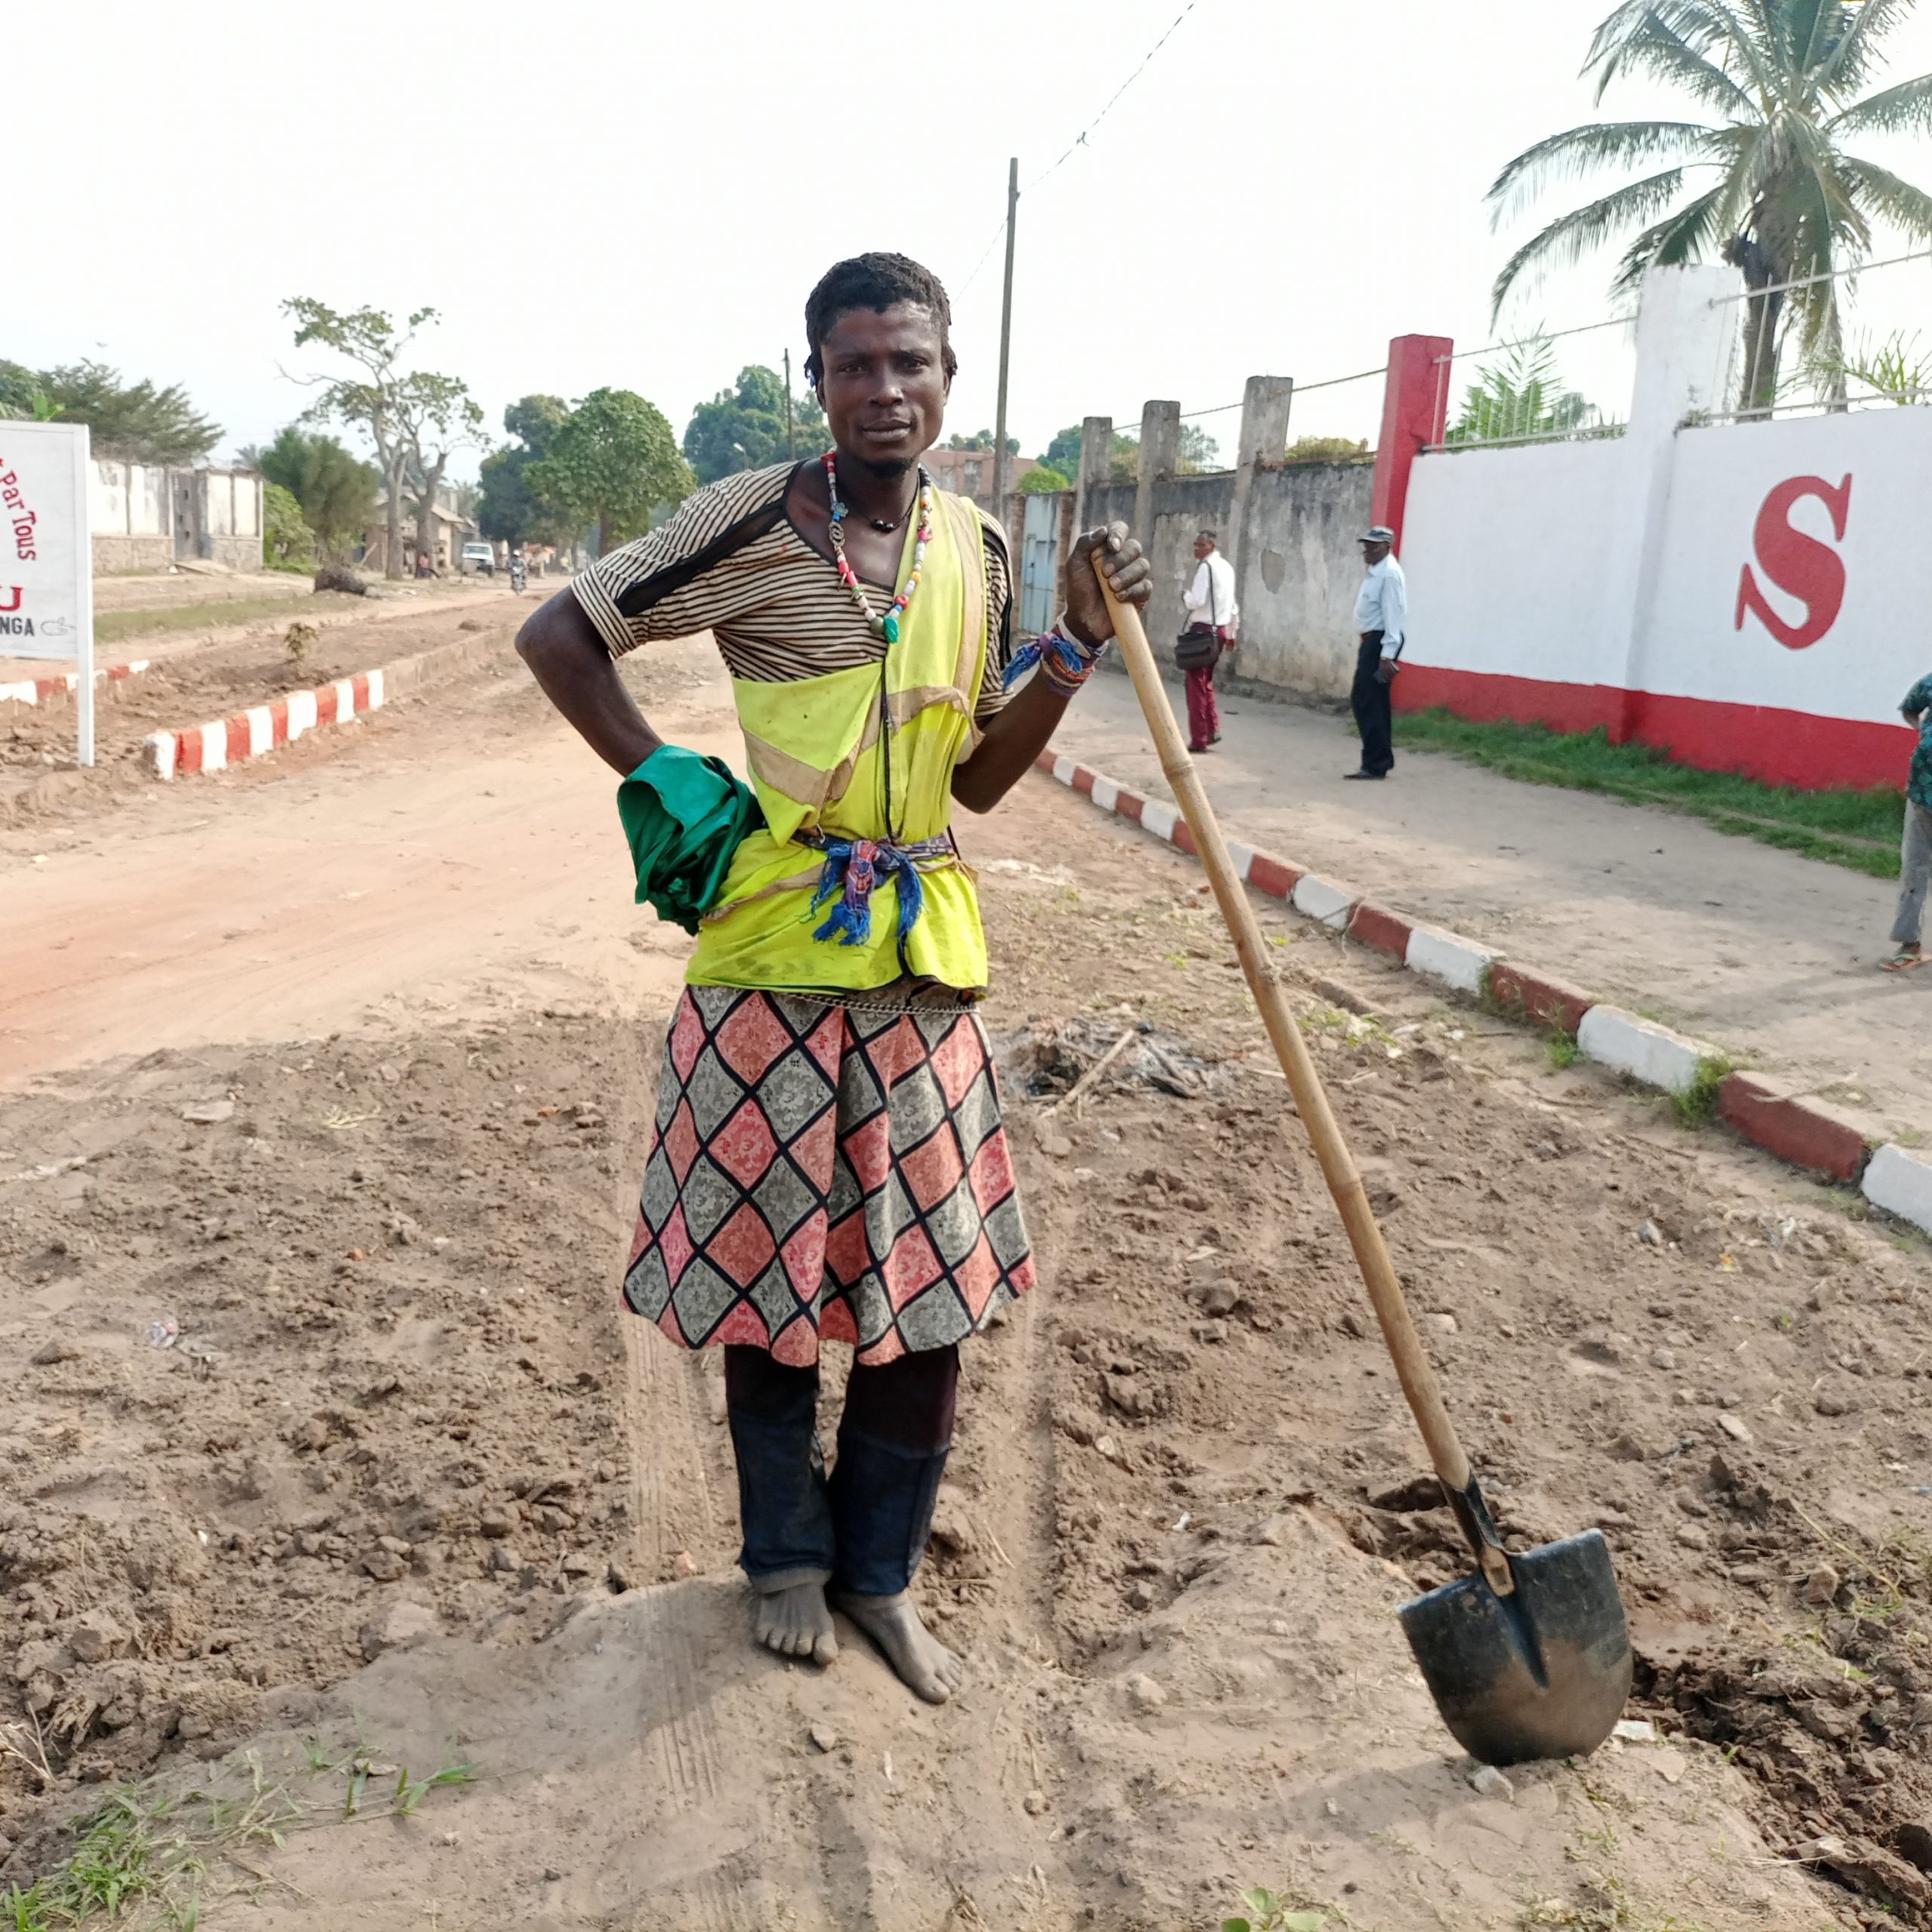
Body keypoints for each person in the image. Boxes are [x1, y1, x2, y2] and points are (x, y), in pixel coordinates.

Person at [514, 251, 1151, 1703]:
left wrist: (1070, 649)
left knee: (926, 1297)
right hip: (767, 969)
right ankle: (786, 1567)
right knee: (768, 1286)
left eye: (910, 362)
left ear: (946, 377)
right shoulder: (747, 523)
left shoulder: (979, 554)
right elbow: (562, 631)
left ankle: (879, 1577)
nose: (886, 390)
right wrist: (673, 777)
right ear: (817, 379)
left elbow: (980, 777)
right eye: (855, 364)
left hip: (921, 968)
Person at [1882, 671, 1932, 971]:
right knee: (1914, 869)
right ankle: (1909, 945)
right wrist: (1923, 732)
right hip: (1922, 792)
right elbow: (1909, 707)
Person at [1348, 525, 1406, 780]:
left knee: (1370, 702)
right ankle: (1377, 759)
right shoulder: (1376, 572)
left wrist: (1387, 655)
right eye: (1366, 545)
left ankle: (1376, 763)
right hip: (1372, 642)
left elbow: (1394, 615)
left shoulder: (1389, 574)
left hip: (1380, 643)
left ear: (1386, 546)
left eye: (1373, 545)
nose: (1367, 550)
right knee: (1367, 702)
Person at [1179, 528, 1238, 753]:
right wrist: (1232, 633)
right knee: (1206, 682)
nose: (1196, 549)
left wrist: (1185, 596)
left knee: (1195, 685)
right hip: (1220, 630)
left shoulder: (1206, 568)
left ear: (1211, 546)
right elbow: (1233, 605)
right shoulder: (1227, 568)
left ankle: (1199, 738)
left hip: (1202, 631)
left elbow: (1197, 601)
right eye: (1195, 544)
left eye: (1200, 544)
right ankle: (1211, 729)